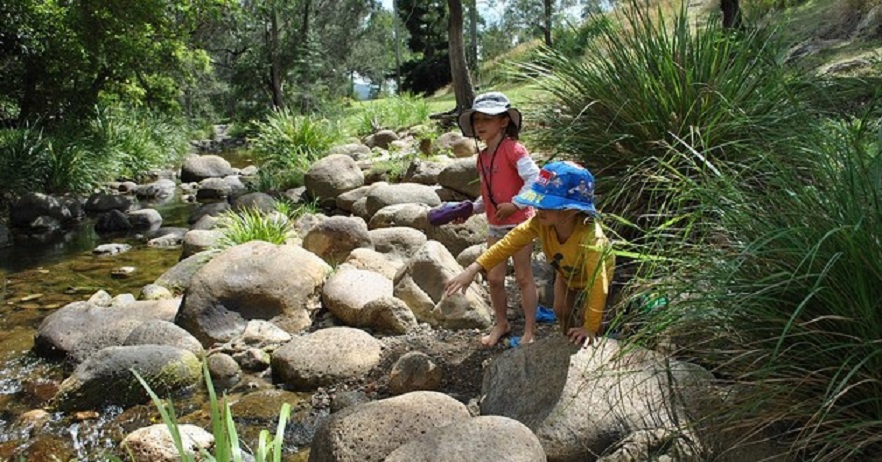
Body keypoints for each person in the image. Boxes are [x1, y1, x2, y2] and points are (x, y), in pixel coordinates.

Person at [444, 161, 615, 348]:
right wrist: (473, 268)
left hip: (595, 276)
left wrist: (589, 326)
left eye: (546, 204)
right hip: (566, 273)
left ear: (571, 210)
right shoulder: (540, 223)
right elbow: (508, 243)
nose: (538, 208)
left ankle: (591, 337)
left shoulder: (591, 238)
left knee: (591, 315)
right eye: (538, 201)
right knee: (560, 310)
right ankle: (568, 340)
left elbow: (599, 284)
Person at [456, 91, 540, 347]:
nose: (480, 125)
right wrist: (470, 209)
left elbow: (536, 179)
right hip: (496, 225)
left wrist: (516, 202)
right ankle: (501, 323)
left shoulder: (513, 149)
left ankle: (529, 330)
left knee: (524, 277)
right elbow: (489, 196)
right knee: (494, 278)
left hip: (520, 224)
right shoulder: (482, 157)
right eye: (477, 120)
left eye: (487, 119)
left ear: (504, 121)